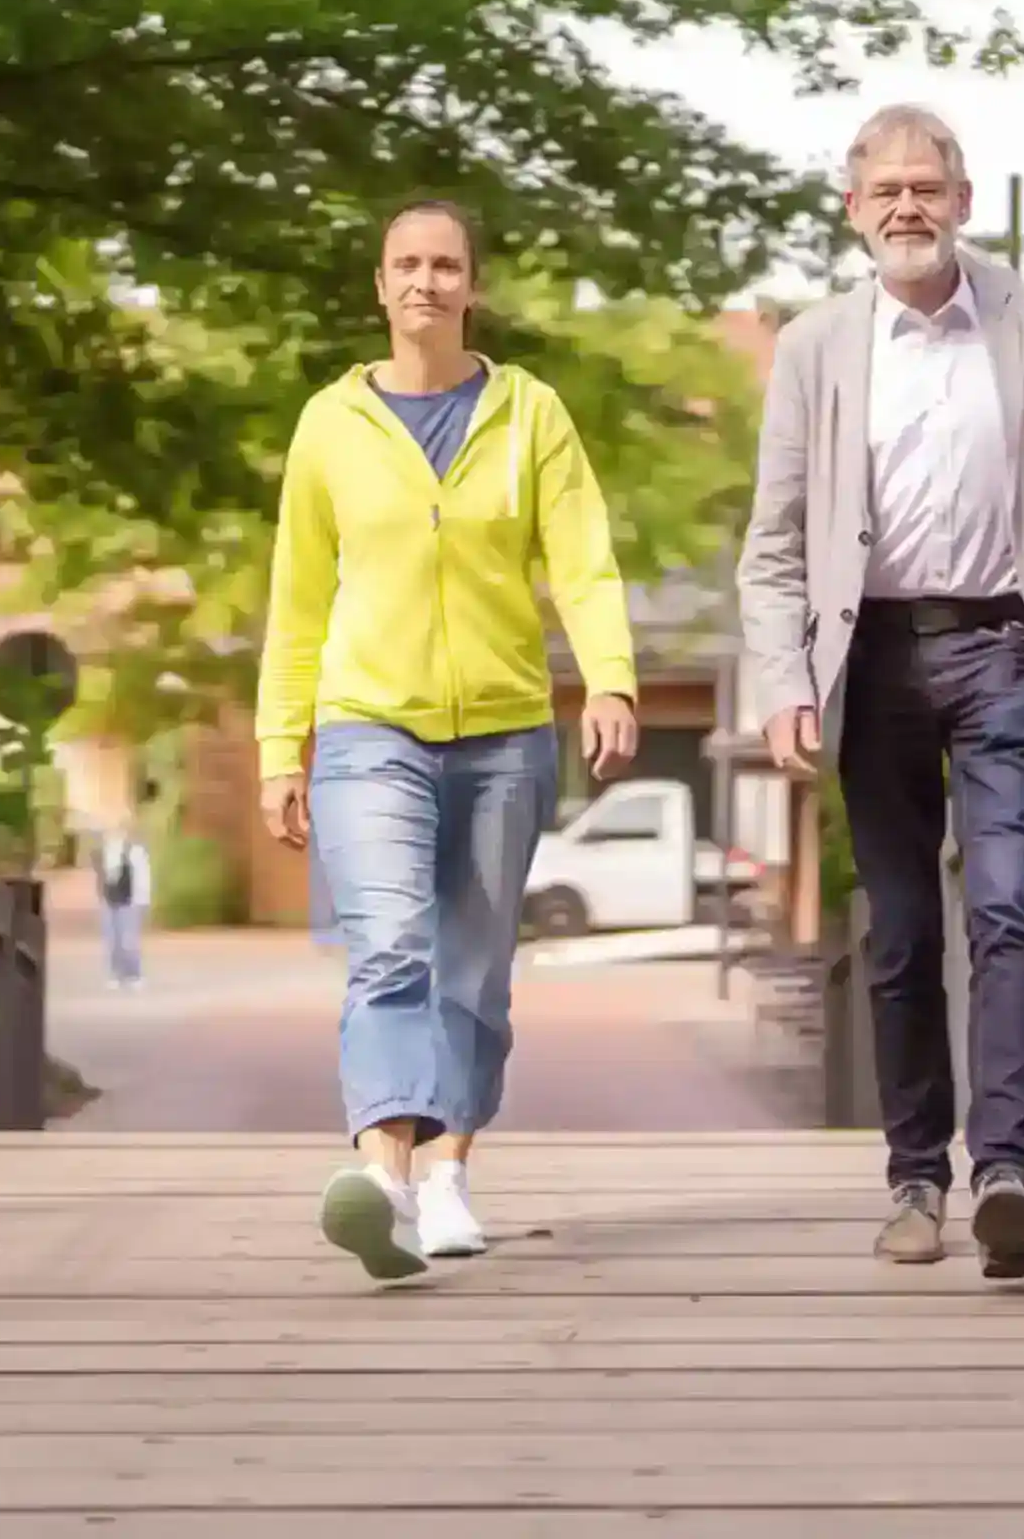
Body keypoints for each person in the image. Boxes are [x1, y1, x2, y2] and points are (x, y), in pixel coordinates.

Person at [736, 105, 1024, 1280]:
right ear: (851, 209)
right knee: (900, 931)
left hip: (1004, 651)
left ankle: (1005, 1171)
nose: (906, 207)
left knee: (1006, 907)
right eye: (883, 189)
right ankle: (913, 1178)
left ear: (962, 199)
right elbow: (775, 542)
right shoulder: (813, 347)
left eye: (925, 187)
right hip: (874, 659)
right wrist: (784, 680)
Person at [256, 198, 639, 1281]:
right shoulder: (329, 424)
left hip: (507, 729)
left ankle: (448, 1175)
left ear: (471, 286)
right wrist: (280, 747)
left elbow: (583, 563)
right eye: (404, 265)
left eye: (444, 264)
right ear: (378, 287)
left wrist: (608, 677)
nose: (423, 281)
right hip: (366, 723)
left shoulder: (529, 415)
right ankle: (382, 1175)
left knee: (473, 971)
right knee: (388, 947)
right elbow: (294, 601)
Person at [95, 794, 155, 990]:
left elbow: (142, 876)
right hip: (110, 898)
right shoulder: (107, 849)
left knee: (129, 938)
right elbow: (103, 875)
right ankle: (116, 974)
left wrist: (143, 900)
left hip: (130, 899)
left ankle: (134, 974)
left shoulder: (135, 851)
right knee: (112, 939)